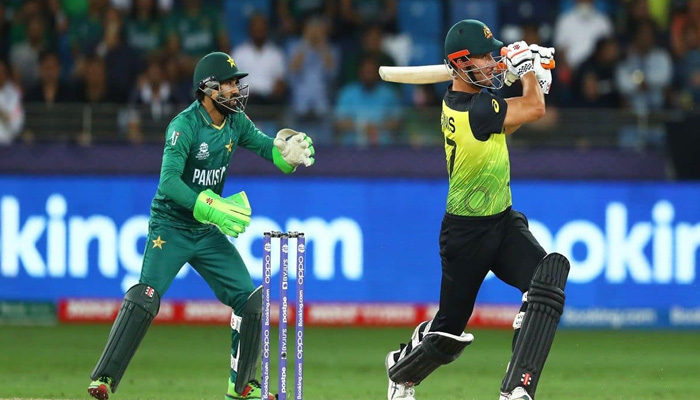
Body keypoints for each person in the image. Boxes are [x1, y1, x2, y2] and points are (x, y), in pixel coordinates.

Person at [86, 51, 315, 400]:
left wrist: (287, 156)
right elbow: (168, 183)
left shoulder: (236, 122)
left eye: (238, 83)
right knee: (145, 297)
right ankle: (103, 379)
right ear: (209, 89)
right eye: (230, 84)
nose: (237, 90)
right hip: (171, 226)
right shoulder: (184, 126)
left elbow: (265, 147)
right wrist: (209, 205)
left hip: (205, 231)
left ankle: (240, 389)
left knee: (251, 302)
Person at [384, 20, 570, 400]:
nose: (492, 63)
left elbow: (508, 124)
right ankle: (401, 369)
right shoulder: (478, 108)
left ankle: (517, 388)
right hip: (465, 236)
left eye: (492, 55)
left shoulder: (471, 103)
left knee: (547, 279)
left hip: (502, 223)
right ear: (461, 64)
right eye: (485, 58)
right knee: (448, 335)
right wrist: (532, 74)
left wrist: (526, 76)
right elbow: (534, 109)